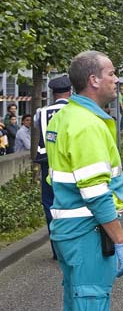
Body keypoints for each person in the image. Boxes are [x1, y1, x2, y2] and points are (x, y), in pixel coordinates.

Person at [46, 50, 123, 311]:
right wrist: (120, 241)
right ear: (94, 80)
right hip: (87, 234)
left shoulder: (66, 116)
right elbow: (96, 193)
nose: (116, 79)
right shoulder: (87, 124)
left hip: (68, 232)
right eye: (111, 73)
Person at [34, 74, 72, 260]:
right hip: (68, 162)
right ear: (70, 91)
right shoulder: (74, 110)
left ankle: (57, 249)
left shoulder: (41, 113)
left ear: (52, 93)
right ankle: (70, 246)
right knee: (70, 202)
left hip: (46, 162)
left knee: (49, 204)